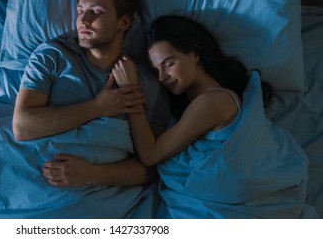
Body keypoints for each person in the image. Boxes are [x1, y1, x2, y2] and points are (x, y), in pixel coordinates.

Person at [111, 15, 313, 218]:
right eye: (156, 71)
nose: (163, 77)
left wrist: (130, 90)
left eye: (169, 64)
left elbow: (150, 155)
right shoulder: (196, 107)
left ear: (195, 54)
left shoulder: (213, 101)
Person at [12, 0, 171, 188]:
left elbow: (152, 167)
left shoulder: (146, 85)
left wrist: (92, 174)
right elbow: (22, 126)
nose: (83, 20)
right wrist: (97, 108)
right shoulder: (52, 56)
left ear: (123, 22)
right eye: (80, 11)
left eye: (96, 12)